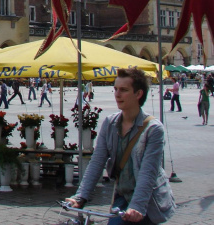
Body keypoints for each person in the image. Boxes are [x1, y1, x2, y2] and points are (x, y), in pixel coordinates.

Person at [65, 68, 176, 224]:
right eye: (115, 89)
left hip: (149, 202)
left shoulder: (153, 129)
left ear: (138, 94)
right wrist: (80, 197)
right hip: (123, 197)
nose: (117, 94)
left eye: (124, 90)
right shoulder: (110, 123)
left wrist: (137, 206)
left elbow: (148, 172)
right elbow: (97, 162)